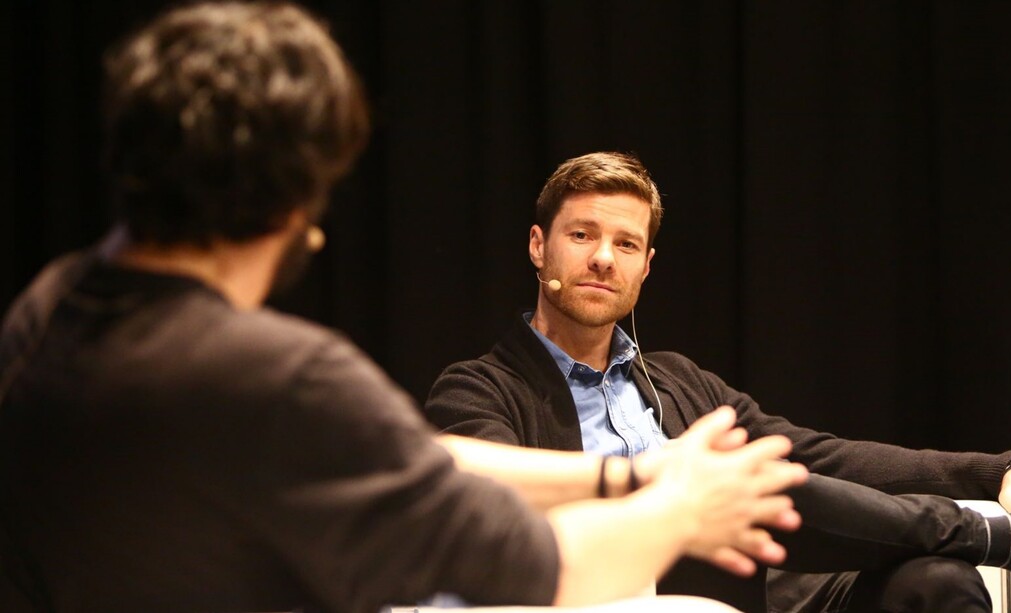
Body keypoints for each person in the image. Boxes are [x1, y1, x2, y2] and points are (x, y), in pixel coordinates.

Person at [0, 6, 809, 613]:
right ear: (297, 202)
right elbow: (545, 569)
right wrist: (683, 507)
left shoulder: (50, 309)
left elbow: (413, 460)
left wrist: (626, 471)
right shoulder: (278, 377)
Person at [424, 151, 1011, 612]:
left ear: (646, 266)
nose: (603, 257)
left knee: (933, 584)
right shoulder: (476, 389)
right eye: (582, 234)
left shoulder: (680, 381)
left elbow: (820, 456)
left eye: (625, 244)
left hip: (746, 593)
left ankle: (993, 535)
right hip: (610, 588)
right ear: (539, 246)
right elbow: (498, 511)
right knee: (747, 484)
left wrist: (994, 468)